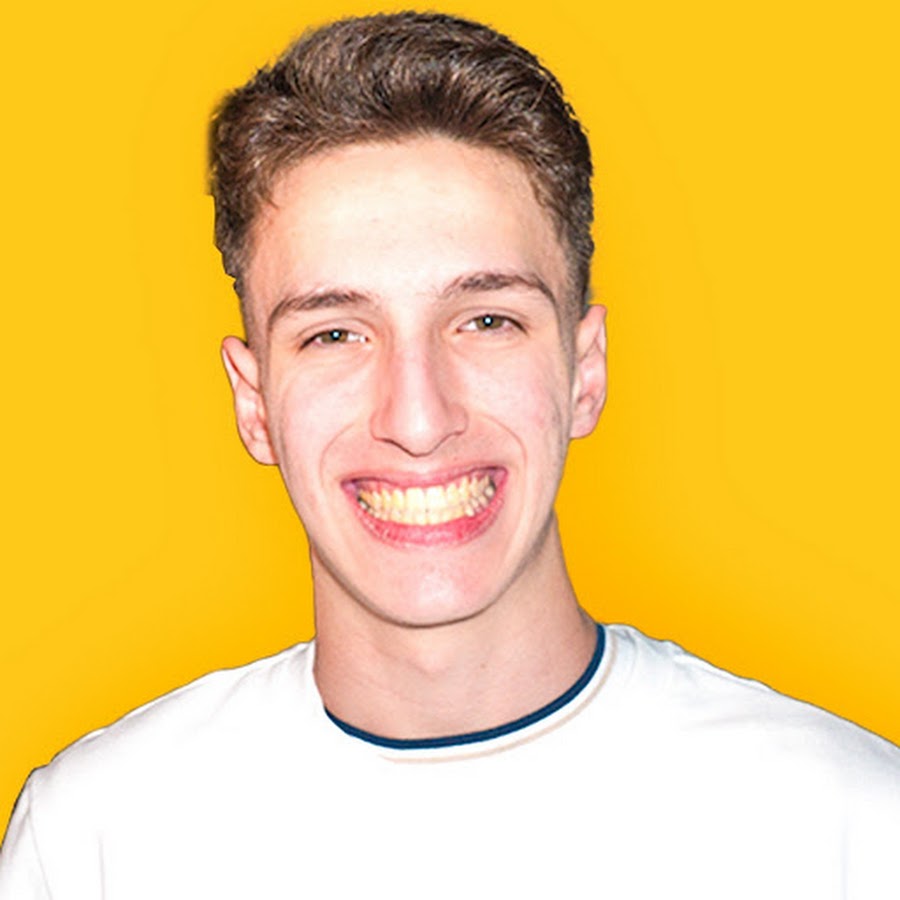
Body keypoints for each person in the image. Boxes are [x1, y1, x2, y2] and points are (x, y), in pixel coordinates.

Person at [1, 11, 898, 898]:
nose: (419, 417)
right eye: (335, 334)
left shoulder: (854, 828)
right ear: (255, 403)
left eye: (486, 320)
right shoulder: (93, 842)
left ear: (584, 372)